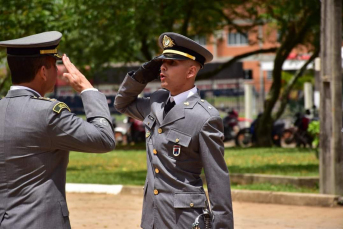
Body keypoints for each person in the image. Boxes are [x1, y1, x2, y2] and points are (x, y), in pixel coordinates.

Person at [115, 32, 233, 229]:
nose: (163, 67)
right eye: (162, 62)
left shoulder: (205, 117)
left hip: (184, 221)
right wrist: (141, 75)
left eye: (172, 63)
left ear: (190, 72)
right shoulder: (156, 102)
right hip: (152, 218)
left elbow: (217, 180)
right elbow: (122, 103)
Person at [0, 31, 115, 229]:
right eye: (55, 66)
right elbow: (104, 138)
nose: (57, 72)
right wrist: (87, 90)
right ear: (44, 72)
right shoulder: (47, 113)